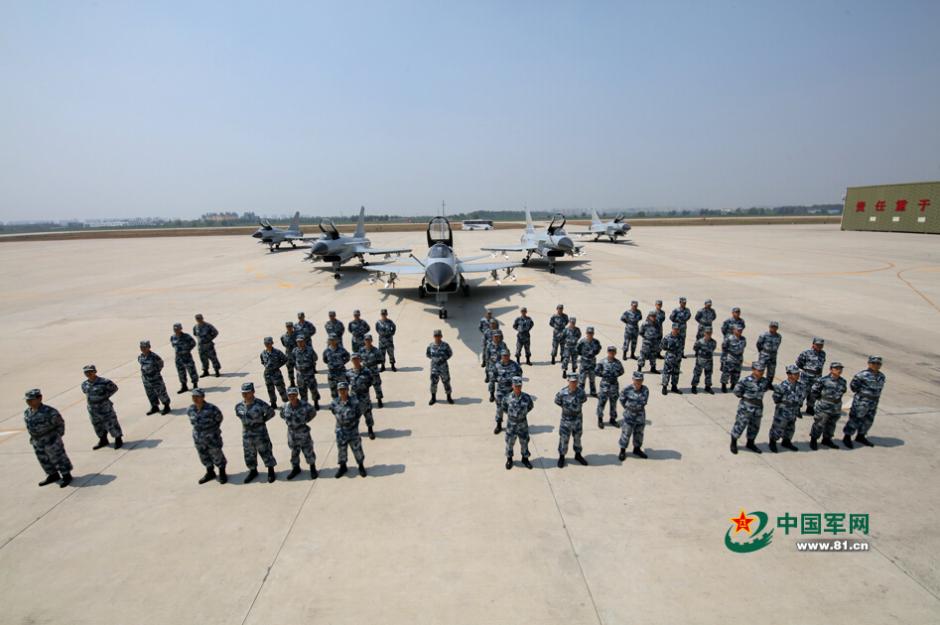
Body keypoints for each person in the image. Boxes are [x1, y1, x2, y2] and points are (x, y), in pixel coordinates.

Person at [23, 388, 73, 487]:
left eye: (31, 399)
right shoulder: (27, 412)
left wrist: (56, 438)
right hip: (37, 440)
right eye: (27, 400)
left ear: (39, 398)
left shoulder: (49, 411)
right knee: (43, 459)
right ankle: (53, 475)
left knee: (59, 458)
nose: (28, 402)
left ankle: (66, 475)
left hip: (51, 440)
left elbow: (60, 424)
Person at [234, 382, 277, 483]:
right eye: (243, 393)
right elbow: (239, 415)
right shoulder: (239, 406)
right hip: (247, 434)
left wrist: (262, 421)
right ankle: (253, 470)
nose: (245, 394)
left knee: (266, 451)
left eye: (247, 392)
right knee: (249, 453)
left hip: (260, 432)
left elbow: (271, 412)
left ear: (253, 392)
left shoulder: (260, 404)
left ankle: (271, 470)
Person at [843, 356, 886, 448]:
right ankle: (847, 437)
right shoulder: (861, 375)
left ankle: (861, 436)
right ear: (869, 364)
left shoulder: (881, 376)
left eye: (878, 364)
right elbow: (854, 387)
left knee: (868, 420)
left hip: (873, 402)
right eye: (874, 363)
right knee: (855, 419)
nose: (876, 365)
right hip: (861, 401)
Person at [187, 388, 227, 484]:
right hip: (198, 438)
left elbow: (219, 419)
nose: (195, 399)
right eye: (193, 397)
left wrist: (213, 430)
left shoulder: (212, 408)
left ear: (203, 397)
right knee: (203, 455)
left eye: (197, 396)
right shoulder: (191, 409)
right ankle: (210, 472)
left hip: (212, 437)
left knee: (217, 454)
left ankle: (222, 472)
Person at [730, 362, 770, 454]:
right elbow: (737, 391)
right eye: (759, 370)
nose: (761, 372)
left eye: (762, 371)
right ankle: (734, 442)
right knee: (740, 424)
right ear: (753, 370)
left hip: (758, 407)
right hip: (746, 406)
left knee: (755, 426)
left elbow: (765, 389)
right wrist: (746, 398)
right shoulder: (745, 381)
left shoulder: (764, 381)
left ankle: (750, 443)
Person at [81, 364, 123, 450]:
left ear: (95, 372)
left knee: (111, 423)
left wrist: (104, 397)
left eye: (90, 371)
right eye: (86, 372)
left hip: (105, 408)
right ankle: (103, 440)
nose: (88, 373)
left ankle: (118, 439)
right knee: (97, 425)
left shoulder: (104, 381)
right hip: (93, 409)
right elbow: (85, 392)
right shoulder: (84, 384)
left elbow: (114, 388)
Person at [280, 387, 318, 480]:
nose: (292, 397)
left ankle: (312, 468)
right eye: (290, 395)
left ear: (297, 395)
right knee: (294, 452)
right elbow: (282, 415)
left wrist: (305, 420)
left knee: (308, 451)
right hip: (292, 434)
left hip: (303, 432)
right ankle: (296, 468)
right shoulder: (285, 406)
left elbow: (313, 413)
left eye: (294, 395)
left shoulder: (305, 405)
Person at [331, 382, 367, 478]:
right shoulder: (334, 402)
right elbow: (333, 411)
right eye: (340, 390)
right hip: (341, 431)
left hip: (352, 430)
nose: (342, 391)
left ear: (347, 390)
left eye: (344, 389)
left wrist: (352, 423)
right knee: (341, 450)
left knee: (357, 449)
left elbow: (359, 413)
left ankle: (361, 466)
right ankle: (343, 467)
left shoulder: (355, 402)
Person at [809, 362, 847, 450]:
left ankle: (827, 439)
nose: (839, 370)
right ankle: (813, 440)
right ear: (831, 369)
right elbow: (814, 390)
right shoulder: (823, 380)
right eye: (836, 368)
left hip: (836, 406)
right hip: (824, 406)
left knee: (831, 424)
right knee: (819, 424)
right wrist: (821, 399)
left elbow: (843, 391)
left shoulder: (843, 381)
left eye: (840, 369)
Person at [555, 374, 589, 468]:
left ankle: (578, 455)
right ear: (568, 381)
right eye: (571, 381)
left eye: (575, 382)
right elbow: (557, 401)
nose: (573, 383)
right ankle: (562, 456)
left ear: (577, 382)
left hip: (577, 419)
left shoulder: (581, 393)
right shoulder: (562, 393)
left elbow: (584, 400)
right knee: (564, 439)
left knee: (577, 438)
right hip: (566, 420)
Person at [768, 364, 804, 452]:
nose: (797, 376)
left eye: (798, 374)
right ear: (789, 374)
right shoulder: (782, 386)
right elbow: (776, 398)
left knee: (790, 427)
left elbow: (801, 397)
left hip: (793, 410)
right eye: (795, 374)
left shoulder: (800, 385)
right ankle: (772, 442)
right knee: (778, 427)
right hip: (783, 410)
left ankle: (786, 441)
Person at [503, 376, 534, 470]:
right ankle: (509, 459)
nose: (518, 388)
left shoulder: (526, 397)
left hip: (522, 423)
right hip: (511, 424)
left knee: (524, 442)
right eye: (516, 386)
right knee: (510, 442)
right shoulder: (507, 398)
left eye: (519, 386)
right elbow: (504, 408)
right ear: (512, 386)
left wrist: (522, 415)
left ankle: (525, 458)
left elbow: (530, 406)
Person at [618, 371, 649, 460]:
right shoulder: (627, 389)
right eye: (636, 380)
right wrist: (628, 408)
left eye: (640, 380)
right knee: (626, 433)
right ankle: (622, 450)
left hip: (640, 414)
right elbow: (622, 400)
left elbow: (644, 402)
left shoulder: (645, 390)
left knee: (639, 433)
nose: (638, 382)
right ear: (633, 379)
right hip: (629, 415)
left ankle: (637, 449)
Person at [346, 353, 375, 440]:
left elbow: (371, 381)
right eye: (353, 359)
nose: (355, 361)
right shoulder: (348, 373)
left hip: (364, 397)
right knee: (354, 416)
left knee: (368, 414)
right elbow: (346, 383)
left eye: (357, 359)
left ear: (360, 360)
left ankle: (370, 430)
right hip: (354, 398)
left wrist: (364, 387)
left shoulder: (366, 371)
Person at [493, 351, 523, 434]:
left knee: (513, 409)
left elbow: (519, 375)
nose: (505, 357)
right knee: (499, 408)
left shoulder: (515, 365)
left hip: (511, 392)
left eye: (507, 356)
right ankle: (499, 424)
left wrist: (515, 387)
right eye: (504, 356)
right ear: (501, 356)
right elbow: (494, 376)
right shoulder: (497, 365)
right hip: (500, 391)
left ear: (509, 356)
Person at [595, 346, 625, 429]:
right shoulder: (602, 362)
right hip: (605, 385)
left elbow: (622, 371)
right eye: (610, 351)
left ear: (615, 353)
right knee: (601, 403)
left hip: (614, 385)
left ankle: (612, 419)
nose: (611, 353)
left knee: (613, 404)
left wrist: (615, 375)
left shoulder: (618, 362)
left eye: (613, 352)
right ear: (607, 352)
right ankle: (600, 419)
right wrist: (604, 375)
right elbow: (596, 371)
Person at [138, 339, 171, 415]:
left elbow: (161, 364)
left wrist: (155, 373)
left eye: (144, 347)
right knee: (150, 393)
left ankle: (166, 406)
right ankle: (154, 406)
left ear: (149, 347)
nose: (143, 349)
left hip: (155, 379)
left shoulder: (154, 356)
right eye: (141, 347)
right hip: (146, 380)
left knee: (161, 392)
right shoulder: (140, 357)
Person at [796, 338, 827, 415]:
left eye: (821, 345)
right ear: (813, 344)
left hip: (817, 376)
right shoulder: (806, 353)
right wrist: (807, 370)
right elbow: (799, 363)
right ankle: (797, 408)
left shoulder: (823, 354)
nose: (819, 346)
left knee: (814, 393)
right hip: (806, 376)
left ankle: (810, 407)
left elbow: (821, 365)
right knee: (802, 392)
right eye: (817, 345)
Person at [292, 334, 320, 409]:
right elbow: (293, 359)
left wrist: (309, 364)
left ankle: (316, 402)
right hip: (300, 375)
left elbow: (315, 358)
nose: (300, 343)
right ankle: (305, 404)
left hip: (309, 373)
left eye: (301, 341)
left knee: (313, 389)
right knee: (302, 391)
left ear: (304, 341)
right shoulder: (295, 350)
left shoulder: (310, 350)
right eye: (298, 342)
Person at [260, 336, 289, 408]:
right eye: (266, 343)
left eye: (269, 343)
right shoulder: (263, 353)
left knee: (281, 389)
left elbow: (285, 359)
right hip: (267, 374)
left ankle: (286, 402)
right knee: (270, 390)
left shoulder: (277, 352)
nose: (267, 345)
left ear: (272, 343)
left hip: (276, 373)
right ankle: (273, 403)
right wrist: (267, 366)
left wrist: (277, 366)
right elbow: (262, 362)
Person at [426, 329, 454, 405]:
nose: (437, 337)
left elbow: (450, 353)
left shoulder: (445, 345)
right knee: (433, 383)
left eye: (438, 336)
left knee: (446, 382)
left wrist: (443, 359)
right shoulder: (430, 345)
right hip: (434, 368)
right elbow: (428, 354)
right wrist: (435, 360)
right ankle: (433, 398)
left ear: (441, 336)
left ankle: (449, 397)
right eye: (436, 336)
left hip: (443, 367)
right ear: (433, 337)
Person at [170, 322, 199, 393]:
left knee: (192, 371)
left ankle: (195, 385)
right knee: (181, 372)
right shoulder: (173, 337)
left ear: (181, 328)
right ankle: (184, 386)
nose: (176, 330)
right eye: (175, 329)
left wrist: (187, 349)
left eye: (177, 329)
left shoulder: (186, 336)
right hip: (178, 358)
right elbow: (173, 345)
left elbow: (193, 343)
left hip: (187, 357)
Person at [358, 334, 385, 408]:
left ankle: (379, 400)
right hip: (365, 372)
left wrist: (373, 363)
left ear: (371, 340)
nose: (368, 341)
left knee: (377, 386)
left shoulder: (376, 350)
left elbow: (382, 359)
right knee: (364, 388)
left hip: (374, 372)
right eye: (366, 340)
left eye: (369, 340)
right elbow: (358, 359)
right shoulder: (361, 350)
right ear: (364, 341)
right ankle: (366, 402)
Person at [322, 333, 351, 399]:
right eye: (330, 340)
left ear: (336, 340)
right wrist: (331, 364)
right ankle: (336, 404)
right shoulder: (326, 351)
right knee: (333, 391)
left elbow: (347, 357)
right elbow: (325, 360)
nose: (332, 341)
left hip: (341, 372)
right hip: (331, 373)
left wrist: (342, 363)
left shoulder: (342, 349)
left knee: (344, 389)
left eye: (333, 340)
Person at [690, 326, 716, 394]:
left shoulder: (713, 342)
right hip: (700, 360)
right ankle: (694, 387)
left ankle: (708, 387)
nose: (708, 334)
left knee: (708, 374)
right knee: (697, 373)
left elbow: (713, 349)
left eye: (710, 333)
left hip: (709, 360)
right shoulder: (700, 342)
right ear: (704, 333)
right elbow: (695, 348)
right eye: (707, 333)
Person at [720, 325, 746, 392]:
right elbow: (724, 348)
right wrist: (723, 359)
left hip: (739, 358)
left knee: (736, 373)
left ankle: (733, 385)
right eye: (738, 330)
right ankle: (724, 385)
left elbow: (743, 347)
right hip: (730, 357)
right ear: (734, 330)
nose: (740, 332)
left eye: (741, 330)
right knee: (726, 373)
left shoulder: (743, 339)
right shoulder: (729, 338)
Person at [660, 323, 683, 395]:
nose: (676, 330)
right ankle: (664, 387)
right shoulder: (667, 337)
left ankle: (674, 386)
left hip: (677, 358)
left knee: (676, 373)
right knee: (666, 372)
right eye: (675, 329)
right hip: (669, 357)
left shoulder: (680, 337)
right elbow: (662, 346)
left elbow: (682, 346)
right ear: (672, 329)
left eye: (677, 329)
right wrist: (670, 351)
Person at [280, 321, 299, 387]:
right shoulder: (283, 337)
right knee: (290, 370)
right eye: (288, 327)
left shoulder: (297, 335)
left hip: (297, 356)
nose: (289, 328)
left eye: (290, 326)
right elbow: (284, 344)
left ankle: (300, 382)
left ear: (292, 327)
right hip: (288, 356)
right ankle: (292, 382)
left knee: (299, 370)